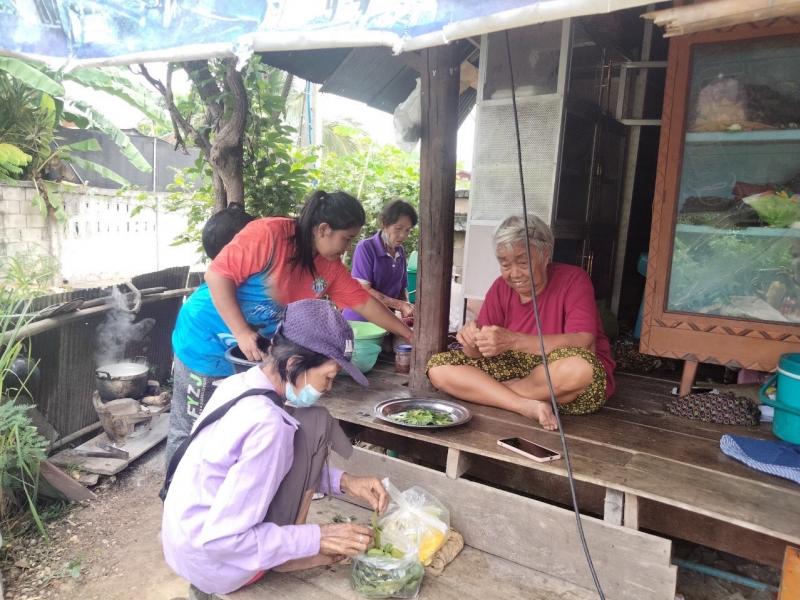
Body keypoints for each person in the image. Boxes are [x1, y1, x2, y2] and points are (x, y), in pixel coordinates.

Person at [162, 299, 389, 599]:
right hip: (217, 565)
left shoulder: (238, 385)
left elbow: (264, 470)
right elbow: (224, 542)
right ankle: (286, 558)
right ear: (294, 364)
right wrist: (318, 537)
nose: (328, 388)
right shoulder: (268, 426)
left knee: (309, 423)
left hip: (182, 542)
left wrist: (345, 482)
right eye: (328, 377)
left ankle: (290, 547)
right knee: (315, 424)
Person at [167, 190, 413, 464]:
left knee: (235, 429)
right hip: (205, 339)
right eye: (346, 239)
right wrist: (242, 331)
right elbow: (217, 276)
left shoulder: (328, 267)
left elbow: (364, 302)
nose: (347, 248)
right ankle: (177, 488)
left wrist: (409, 335)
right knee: (194, 428)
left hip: (251, 353)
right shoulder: (270, 236)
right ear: (323, 229)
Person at [426, 214, 615, 431]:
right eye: (505, 264)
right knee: (438, 367)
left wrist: (513, 341)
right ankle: (524, 406)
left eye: (523, 262)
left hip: (560, 378)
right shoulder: (500, 287)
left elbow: (584, 341)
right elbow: (477, 355)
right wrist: (471, 342)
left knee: (580, 369)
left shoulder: (574, 279)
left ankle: (492, 393)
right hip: (520, 372)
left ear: (546, 254)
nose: (514, 274)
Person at [343, 199, 417, 322]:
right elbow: (364, 290)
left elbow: (401, 289)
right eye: (398, 228)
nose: (403, 235)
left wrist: (407, 310)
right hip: (360, 321)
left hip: (384, 322)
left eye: (407, 230)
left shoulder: (400, 252)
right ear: (384, 224)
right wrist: (400, 305)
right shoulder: (366, 248)